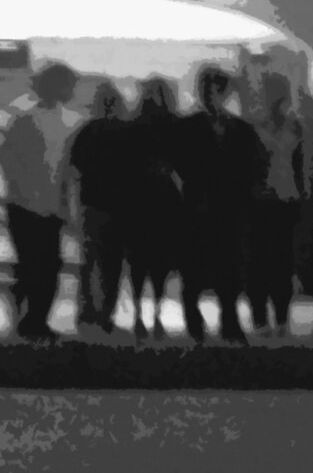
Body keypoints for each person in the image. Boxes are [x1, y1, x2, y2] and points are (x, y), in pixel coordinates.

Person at [179, 67, 266, 344]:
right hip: (197, 206)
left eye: (215, 89)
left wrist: (247, 197)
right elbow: (177, 164)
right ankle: (194, 318)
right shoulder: (188, 128)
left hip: (229, 207)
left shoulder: (240, 130)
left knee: (229, 265)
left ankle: (229, 319)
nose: (209, 95)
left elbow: (256, 166)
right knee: (194, 265)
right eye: (205, 89)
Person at [0, 63, 80, 340]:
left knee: (36, 264)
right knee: (42, 264)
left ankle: (30, 318)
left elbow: (6, 158)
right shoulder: (62, 121)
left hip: (30, 202)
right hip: (39, 202)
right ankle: (33, 319)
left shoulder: (26, 118)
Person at [67, 82, 136, 334]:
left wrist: (71, 207)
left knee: (90, 262)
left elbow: (74, 171)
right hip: (120, 207)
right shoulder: (128, 133)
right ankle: (106, 314)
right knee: (112, 265)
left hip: (92, 204)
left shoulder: (88, 131)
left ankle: (87, 313)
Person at [124, 76, 189, 340]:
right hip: (157, 198)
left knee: (149, 260)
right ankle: (148, 313)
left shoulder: (136, 127)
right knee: (150, 261)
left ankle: (146, 313)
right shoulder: (173, 126)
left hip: (147, 198)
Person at [249, 73, 312, 334]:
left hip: (286, 199)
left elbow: (302, 163)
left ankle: (282, 317)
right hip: (260, 200)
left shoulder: (295, 127)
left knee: (283, 261)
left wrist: (303, 192)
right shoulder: (255, 126)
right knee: (260, 260)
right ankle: (261, 317)